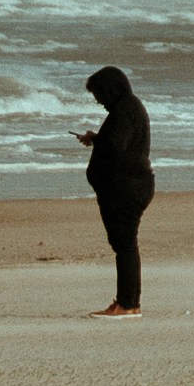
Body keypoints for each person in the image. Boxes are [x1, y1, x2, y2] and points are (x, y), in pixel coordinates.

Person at [84, 64, 153, 317]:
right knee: (125, 244)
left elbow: (116, 145)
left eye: (99, 94)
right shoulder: (128, 108)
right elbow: (117, 142)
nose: (99, 101)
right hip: (131, 185)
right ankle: (129, 302)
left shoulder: (125, 110)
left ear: (110, 89)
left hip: (128, 187)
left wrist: (98, 140)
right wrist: (96, 138)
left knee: (125, 245)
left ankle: (127, 303)